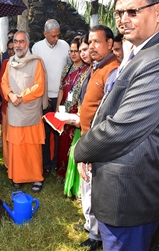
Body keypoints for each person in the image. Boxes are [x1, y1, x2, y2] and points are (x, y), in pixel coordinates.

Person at [74, 0, 159, 251]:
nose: (122, 19)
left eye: (132, 12)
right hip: (125, 187)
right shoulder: (143, 52)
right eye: (119, 13)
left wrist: (82, 149)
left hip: (130, 194)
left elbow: (122, 128)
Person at [77, 25, 120, 251]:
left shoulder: (113, 70)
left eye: (97, 42)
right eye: (89, 42)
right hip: (87, 138)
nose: (92, 46)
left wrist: (92, 148)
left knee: (95, 192)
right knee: (88, 189)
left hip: (98, 143)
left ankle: (98, 237)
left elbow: (109, 114)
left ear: (110, 44)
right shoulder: (97, 67)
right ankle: (91, 229)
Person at [1, 30, 48, 192]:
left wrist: (21, 96)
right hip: (14, 110)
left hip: (30, 112)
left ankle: (36, 178)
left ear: (27, 44)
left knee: (32, 147)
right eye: (16, 41)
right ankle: (18, 177)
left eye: (21, 42)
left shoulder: (36, 62)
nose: (18, 45)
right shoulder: (9, 63)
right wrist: (10, 95)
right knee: (16, 147)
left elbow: (39, 86)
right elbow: (4, 83)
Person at [32, 19, 70, 177]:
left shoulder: (65, 46)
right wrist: (43, 96)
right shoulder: (37, 48)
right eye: (53, 36)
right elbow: (35, 73)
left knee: (59, 131)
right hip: (44, 97)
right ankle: (46, 164)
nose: (56, 39)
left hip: (61, 97)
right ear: (45, 34)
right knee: (45, 133)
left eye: (58, 35)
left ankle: (57, 164)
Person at [55, 38, 89, 179]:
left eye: (77, 51)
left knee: (72, 144)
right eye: (72, 51)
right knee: (62, 142)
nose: (74, 54)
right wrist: (57, 108)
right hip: (64, 109)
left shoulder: (87, 70)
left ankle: (72, 177)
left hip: (76, 112)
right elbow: (61, 89)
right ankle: (61, 173)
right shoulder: (67, 68)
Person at [63, 33, 92, 199]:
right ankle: (77, 189)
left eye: (83, 50)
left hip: (87, 119)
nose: (81, 54)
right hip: (79, 115)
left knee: (81, 151)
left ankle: (82, 191)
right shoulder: (72, 69)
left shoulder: (92, 70)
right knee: (76, 151)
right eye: (78, 50)